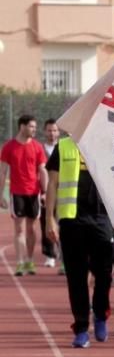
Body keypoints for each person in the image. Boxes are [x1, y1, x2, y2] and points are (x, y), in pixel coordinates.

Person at [44, 136, 114, 348]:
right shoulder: (63, 146)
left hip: (102, 219)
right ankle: (82, 327)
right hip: (71, 220)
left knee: (104, 274)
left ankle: (101, 314)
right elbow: (53, 184)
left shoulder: (106, 144)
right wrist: (49, 218)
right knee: (76, 277)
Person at [0, 115, 48, 276]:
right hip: (17, 193)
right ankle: (20, 262)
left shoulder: (37, 147)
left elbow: (43, 170)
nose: (34, 129)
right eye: (31, 126)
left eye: (35, 127)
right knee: (19, 229)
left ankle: (29, 260)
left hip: (34, 193)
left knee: (31, 229)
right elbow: (3, 172)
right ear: (22, 126)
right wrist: (1, 195)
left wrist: (45, 192)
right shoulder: (9, 147)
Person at [39, 118, 61, 269]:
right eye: (49, 130)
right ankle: (49, 255)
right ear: (44, 131)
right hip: (45, 193)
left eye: (54, 130)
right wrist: (43, 191)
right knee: (46, 223)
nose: (52, 133)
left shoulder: (63, 147)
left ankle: (62, 254)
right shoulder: (40, 149)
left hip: (63, 193)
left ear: (58, 132)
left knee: (63, 224)